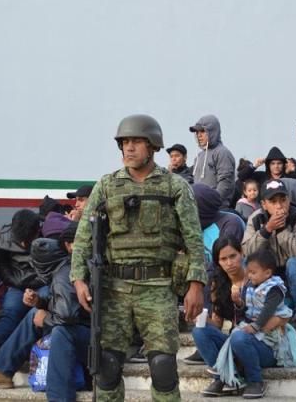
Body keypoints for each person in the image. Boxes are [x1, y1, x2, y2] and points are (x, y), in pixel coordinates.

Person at [71, 114, 207, 402]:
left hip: (158, 287)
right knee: (106, 366)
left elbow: (194, 238)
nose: (129, 148)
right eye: (125, 142)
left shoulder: (174, 187)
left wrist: (197, 283)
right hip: (113, 288)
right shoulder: (107, 186)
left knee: (163, 367)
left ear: (153, 146)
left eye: (136, 141)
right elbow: (84, 236)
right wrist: (78, 279)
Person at [0, 222, 91, 401]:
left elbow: (69, 317)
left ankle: (4, 371)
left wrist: (47, 320)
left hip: (93, 339)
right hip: (84, 329)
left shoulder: (66, 272)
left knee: (59, 331)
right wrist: (40, 302)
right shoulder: (68, 267)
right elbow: (73, 308)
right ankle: (1, 371)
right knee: (35, 313)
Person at [202, 250, 296, 399]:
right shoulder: (251, 286)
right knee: (209, 332)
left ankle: (254, 381)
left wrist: (255, 326)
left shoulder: (274, 288)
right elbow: (246, 311)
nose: (249, 276)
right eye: (249, 272)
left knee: (238, 337)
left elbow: (268, 311)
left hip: (268, 340)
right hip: (251, 334)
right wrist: (238, 303)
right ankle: (223, 375)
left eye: (253, 273)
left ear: (267, 273)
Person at [242, 179, 296, 337]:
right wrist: (267, 230)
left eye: (283, 200)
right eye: (273, 201)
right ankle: (248, 313)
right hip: (267, 277)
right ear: (264, 204)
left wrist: (281, 229)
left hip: (295, 277)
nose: (279, 206)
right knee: (246, 264)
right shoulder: (255, 219)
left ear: (289, 200)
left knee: (294, 262)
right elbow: (247, 251)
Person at [0, 209, 49, 349]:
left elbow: (55, 267)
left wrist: (39, 281)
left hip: (43, 282)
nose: (24, 244)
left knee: (40, 310)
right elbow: (3, 265)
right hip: (17, 284)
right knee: (11, 311)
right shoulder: (3, 238)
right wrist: (14, 281)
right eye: (20, 239)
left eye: (28, 239)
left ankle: (39, 347)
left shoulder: (49, 237)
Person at [190, 237, 248, 370]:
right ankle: (221, 374)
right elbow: (218, 324)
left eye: (233, 256)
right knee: (199, 331)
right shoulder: (218, 282)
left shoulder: (254, 277)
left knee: (239, 339)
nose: (229, 263)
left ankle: (223, 377)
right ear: (218, 262)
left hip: (253, 340)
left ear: (242, 253)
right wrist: (199, 317)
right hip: (233, 341)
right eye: (223, 259)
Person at [189, 114, 236, 207]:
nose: (199, 135)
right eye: (197, 132)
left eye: (202, 131)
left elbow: (225, 183)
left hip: (217, 210)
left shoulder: (222, 153)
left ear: (212, 131)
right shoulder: (199, 156)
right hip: (200, 209)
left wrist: (211, 203)